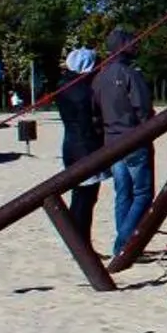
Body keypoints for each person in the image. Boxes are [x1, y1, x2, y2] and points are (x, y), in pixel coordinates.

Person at [92, 26, 154, 257]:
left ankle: (125, 244)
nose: (137, 46)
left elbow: (95, 113)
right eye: (133, 43)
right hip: (134, 140)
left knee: (123, 194)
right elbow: (143, 108)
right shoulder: (130, 74)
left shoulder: (99, 77)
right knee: (143, 194)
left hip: (112, 142)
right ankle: (124, 241)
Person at [54, 46, 106, 248]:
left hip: (71, 146)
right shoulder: (83, 91)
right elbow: (90, 122)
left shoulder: (64, 86)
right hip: (84, 148)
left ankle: (80, 241)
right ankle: (80, 243)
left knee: (81, 197)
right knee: (85, 199)